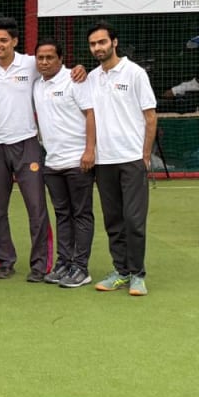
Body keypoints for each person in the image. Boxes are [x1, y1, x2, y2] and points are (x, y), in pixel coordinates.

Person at [85, 22, 156, 296]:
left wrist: (145, 156)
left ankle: (137, 275)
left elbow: (150, 117)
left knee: (134, 220)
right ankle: (121, 271)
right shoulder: (91, 78)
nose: (98, 48)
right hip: (103, 161)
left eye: (102, 42)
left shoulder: (135, 73)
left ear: (114, 42)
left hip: (131, 158)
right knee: (113, 220)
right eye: (93, 44)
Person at [0, 17, 51, 283]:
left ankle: (40, 265)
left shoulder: (30, 64)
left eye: (3, 40)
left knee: (36, 207)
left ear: (15, 41)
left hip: (27, 143)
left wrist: (78, 69)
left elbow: (56, 71)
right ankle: (5, 262)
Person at [33, 38, 96, 288]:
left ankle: (81, 267)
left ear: (61, 59)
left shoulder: (74, 79)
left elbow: (90, 114)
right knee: (62, 215)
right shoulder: (37, 85)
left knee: (81, 214)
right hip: (52, 163)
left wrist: (89, 150)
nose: (44, 62)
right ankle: (64, 262)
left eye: (50, 57)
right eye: (40, 58)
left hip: (78, 161)